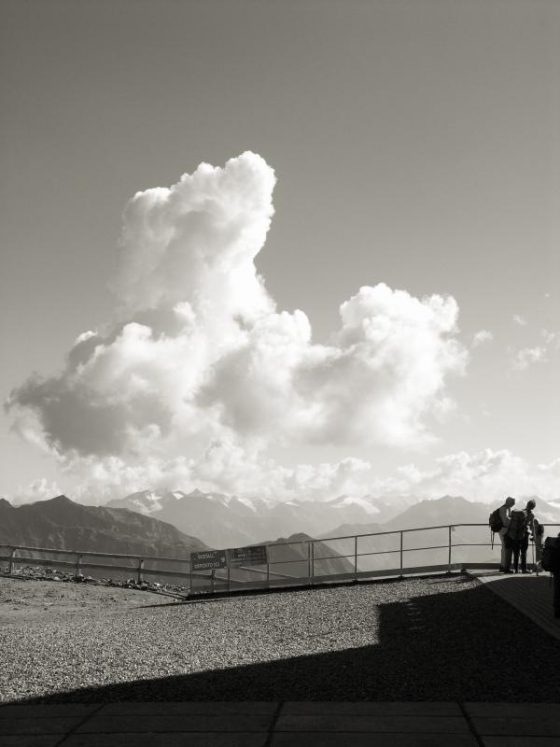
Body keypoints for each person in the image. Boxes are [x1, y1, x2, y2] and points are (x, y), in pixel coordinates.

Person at [498, 497, 515, 572]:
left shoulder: (506, 509)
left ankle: (502, 565)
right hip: (504, 531)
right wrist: (511, 518)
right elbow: (505, 521)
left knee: (504, 548)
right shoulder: (504, 509)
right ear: (509, 502)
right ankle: (504, 566)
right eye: (512, 503)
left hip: (503, 530)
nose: (512, 505)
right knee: (505, 549)